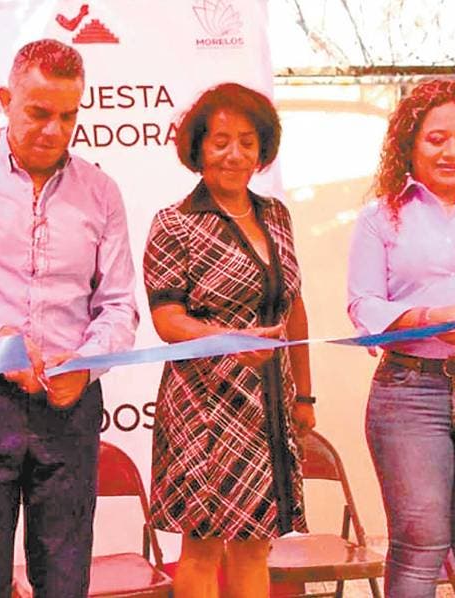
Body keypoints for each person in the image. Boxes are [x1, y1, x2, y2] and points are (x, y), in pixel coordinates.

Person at [0, 39, 139, 597]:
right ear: (5, 100)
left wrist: (87, 363)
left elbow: (119, 304)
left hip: (70, 405)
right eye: (39, 112)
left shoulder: (101, 192)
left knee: (65, 582)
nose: (54, 130)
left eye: (68, 115)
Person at [143, 82, 314, 598]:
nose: (234, 154)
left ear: (262, 149)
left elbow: (293, 308)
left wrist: (305, 396)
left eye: (246, 141)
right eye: (220, 141)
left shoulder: (276, 215)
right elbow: (167, 319)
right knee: (202, 548)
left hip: (268, 404)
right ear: (197, 148)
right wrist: (228, 340)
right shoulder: (174, 223)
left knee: (255, 546)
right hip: (204, 406)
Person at [347, 78, 455, 597]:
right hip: (410, 395)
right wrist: (429, 318)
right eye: (436, 139)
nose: (452, 151)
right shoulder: (379, 217)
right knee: (419, 547)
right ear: (409, 144)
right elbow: (364, 305)